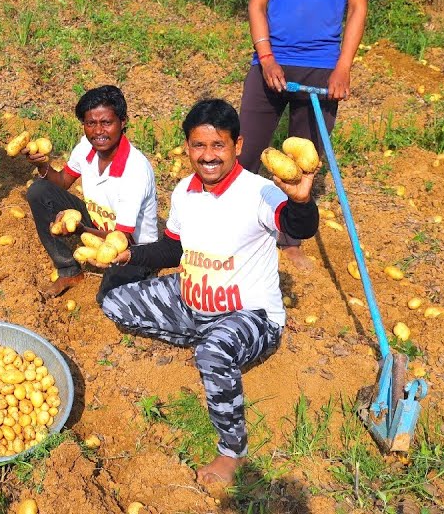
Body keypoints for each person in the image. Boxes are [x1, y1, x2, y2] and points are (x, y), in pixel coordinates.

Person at [101, 99, 319, 487]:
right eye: (198, 146)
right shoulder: (185, 190)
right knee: (114, 302)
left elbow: (297, 227)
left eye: (218, 145)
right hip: (192, 298)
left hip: (251, 317)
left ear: (238, 145)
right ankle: (204, 338)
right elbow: (173, 248)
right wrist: (129, 255)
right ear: (187, 147)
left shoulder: (260, 192)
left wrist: (301, 200)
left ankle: (232, 452)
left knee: (214, 350)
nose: (208, 156)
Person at [242, 0, 369, 267]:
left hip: (321, 67)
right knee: (245, 152)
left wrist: (343, 67)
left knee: (305, 162)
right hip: (271, 64)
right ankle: (235, 225)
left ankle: (290, 239)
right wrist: (268, 58)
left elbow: (358, 8)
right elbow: (257, 6)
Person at [24, 85, 159, 298]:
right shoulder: (86, 148)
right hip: (98, 225)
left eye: (106, 123)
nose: (98, 132)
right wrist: (42, 166)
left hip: (131, 247)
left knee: (108, 297)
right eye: (91, 123)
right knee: (39, 191)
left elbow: (119, 239)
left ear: (123, 122)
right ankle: (69, 271)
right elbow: (61, 181)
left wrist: (79, 230)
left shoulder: (135, 171)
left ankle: (142, 279)